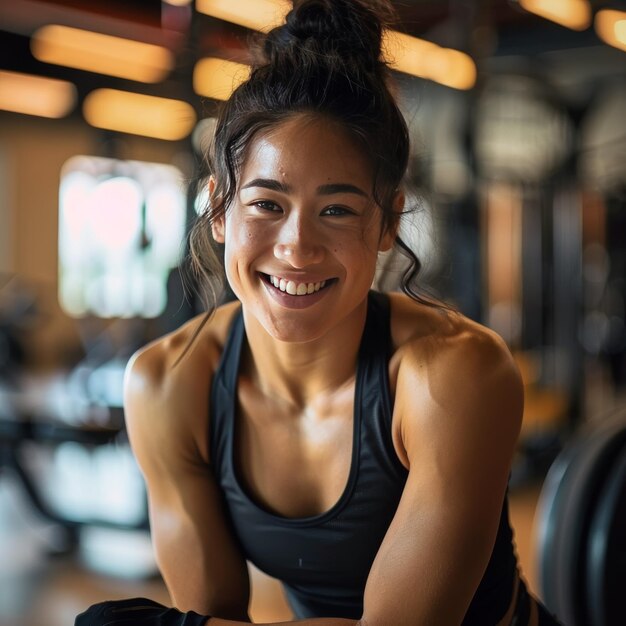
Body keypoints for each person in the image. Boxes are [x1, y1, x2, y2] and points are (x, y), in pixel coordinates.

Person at [76, 1, 562, 624]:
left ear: (387, 222)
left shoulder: (453, 375)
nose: (297, 247)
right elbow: (212, 611)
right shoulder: (169, 385)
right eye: (266, 204)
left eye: (336, 210)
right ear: (220, 210)